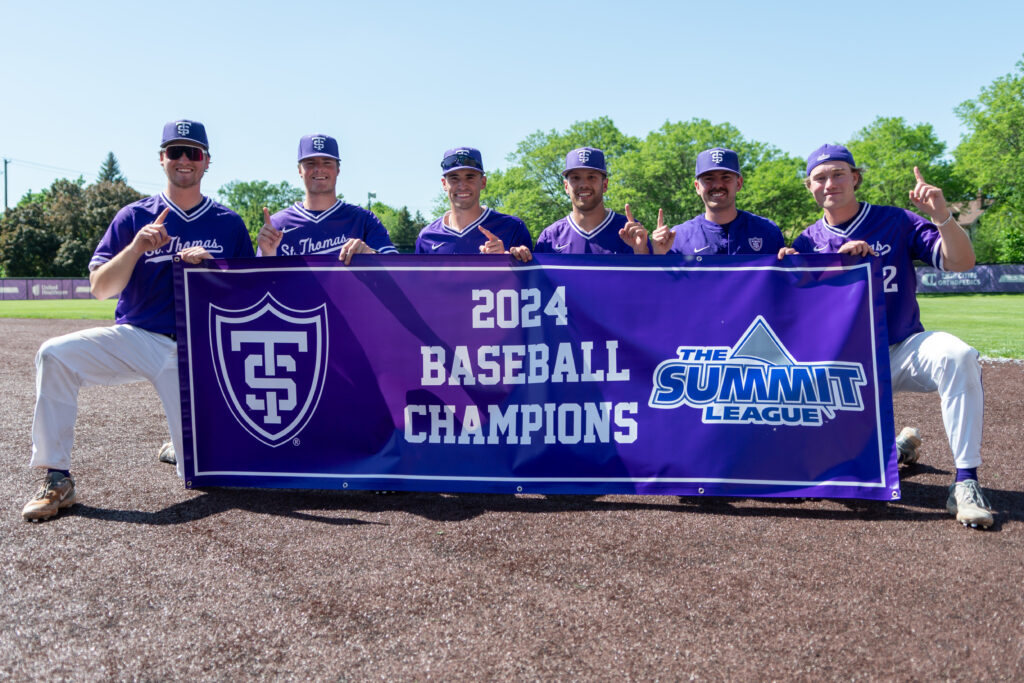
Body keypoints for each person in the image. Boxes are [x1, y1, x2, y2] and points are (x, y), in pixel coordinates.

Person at [21, 119, 255, 521]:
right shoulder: (133, 217)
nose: (184, 160)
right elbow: (100, 287)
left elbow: (248, 297)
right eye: (175, 152)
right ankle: (57, 478)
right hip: (138, 336)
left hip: (199, 351)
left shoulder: (228, 222)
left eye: (193, 153)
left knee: (205, 477)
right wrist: (135, 248)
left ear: (207, 162)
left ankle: (180, 447)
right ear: (162, 159)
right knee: (54, 355)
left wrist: (211, 268)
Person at [779, 143, 990, 529]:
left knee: (958, 356)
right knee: (827, 473)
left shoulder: (896, 220)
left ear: (855, 178)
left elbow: (961, 262)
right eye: (820, 177)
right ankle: (894, 449)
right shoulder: (807, 241)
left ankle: (965, 483)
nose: (830, 183)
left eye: (839, 173)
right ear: (809, 187)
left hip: (899, 349)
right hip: (841, 367)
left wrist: (942, 216)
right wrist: (787, 273)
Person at [257, 134, 397, 264]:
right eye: (310, 162)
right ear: (300, 170)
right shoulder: (277, 225)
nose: (319, 168)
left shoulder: (363, 220)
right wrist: (267, 257)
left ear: (338, 170)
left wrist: (370, 254)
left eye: (327, 162)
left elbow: (399, 271)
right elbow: (259, 285)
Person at [650, 147, 784, 256]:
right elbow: (664, 285)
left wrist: (792, 262)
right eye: (709, 178)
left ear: (739, 183)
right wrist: (659, 256)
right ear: (697, 187)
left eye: (726, 177)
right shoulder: (678, 238)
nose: (717, 185)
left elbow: (782, 285)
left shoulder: (768, 231)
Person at [415, 147, 532, 260]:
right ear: (444, 184)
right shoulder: (427, 237)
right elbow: (418, 280)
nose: (462, 185)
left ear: (483, 182)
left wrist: (506, 259)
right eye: (454, 178)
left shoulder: (513, 228)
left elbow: (530, 278)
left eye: (470, 177)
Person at [534, 147, 648, 254]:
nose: (583, 185)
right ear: (565, 186)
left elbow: (651, 275)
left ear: (605, 185)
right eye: (575, 178)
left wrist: (641, 251)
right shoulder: (550, 237)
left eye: (591, 177)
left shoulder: (630, 231)